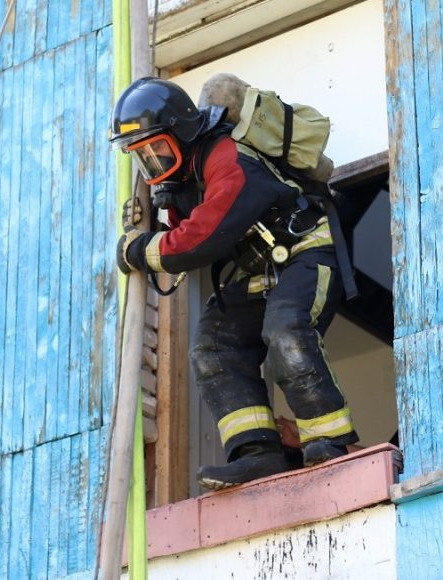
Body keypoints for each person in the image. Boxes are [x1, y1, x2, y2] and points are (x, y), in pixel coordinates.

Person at [111, 77, 360, 490]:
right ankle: (257, 454)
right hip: (255, 270)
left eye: (157, 148)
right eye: (142, 155)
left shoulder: (227, 157)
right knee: (212, 348)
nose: (152, 162)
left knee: (285, 331)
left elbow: (204, 237)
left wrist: (140, 250)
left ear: (182, 132)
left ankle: (329, 443)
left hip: (304, 252)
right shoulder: (179, 182)